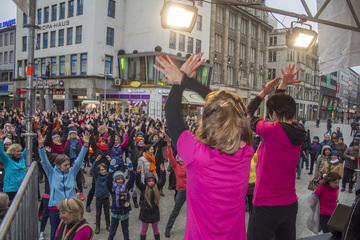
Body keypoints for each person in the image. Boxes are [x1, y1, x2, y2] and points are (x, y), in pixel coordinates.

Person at [155, 53, 254, 239]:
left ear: (207, 122)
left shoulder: (197, 155)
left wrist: (181, 80)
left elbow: (171, 113)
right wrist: (181, 80)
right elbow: (221, 107)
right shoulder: (246, 151)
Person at [246, 64, 306, 240]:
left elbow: (246, 114)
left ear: (272, 114)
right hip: (289, 204)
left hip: (266, 205)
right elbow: (279, 113)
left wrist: (263, 94)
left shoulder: (272, 131)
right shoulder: (298, 130)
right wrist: (282, 88)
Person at [38, 131, 90, 240]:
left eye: (68, 164)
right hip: (55, 207)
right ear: (57, 165)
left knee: (71, 231)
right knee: (55, 233)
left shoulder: (72, 171)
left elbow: (79, 159)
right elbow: (44, 161)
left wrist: (85, 145)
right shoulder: (51, 172)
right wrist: (41, 146)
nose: (68, 166)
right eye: (65, 165)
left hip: (71, 207)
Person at [164, 136, 187, 238]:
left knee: (196, 211)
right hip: (181, 191)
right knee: (175, 211)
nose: (181, 157)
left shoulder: (189, 165)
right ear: (177, 158)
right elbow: (170, 156)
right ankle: (168, 228)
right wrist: (169, 145)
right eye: (179, 156)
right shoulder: (176, 166)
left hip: (192, 191)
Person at [136, 164, 166, 240]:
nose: (151, 182)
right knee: (144, 229)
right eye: (149, 181)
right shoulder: (143, 188)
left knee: (156, 229)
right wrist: (138, 173)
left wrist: (163, 172)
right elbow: (138, 182)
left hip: (155, 212)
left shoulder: (157, 187)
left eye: (153, 181)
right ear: (146, 182)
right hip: (145, 212)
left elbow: (162, 181)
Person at [106, 166, 135, 240]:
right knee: (112, 231)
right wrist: (110, 172)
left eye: (121, 179)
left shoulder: (126, 187)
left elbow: (131, 180)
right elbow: (108, 181)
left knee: (125, 231)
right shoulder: (112, 189)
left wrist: (131, 170)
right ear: (115, 180)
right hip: (115, 212)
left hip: (124, 212)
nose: (120, 181)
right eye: (118, 179)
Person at [0, 130, 26, 202]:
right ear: (12, 151)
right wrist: (0, 141)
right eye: (17, 151)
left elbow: (29, 148)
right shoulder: (7, 160)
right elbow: (0, 152)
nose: (20, 153)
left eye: (20, 151)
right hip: (11, 189)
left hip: (22, 187)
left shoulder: (22, 158)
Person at [91, 158, 110, 234]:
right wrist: (96, 161)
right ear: (99, 171)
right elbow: (93, 169)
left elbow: (113, 169)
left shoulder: (108, 175)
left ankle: (108, 224)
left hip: (106, 196)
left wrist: (110, 160)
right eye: (101, 170)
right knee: (98, 213)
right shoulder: (97, 176)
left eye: (104, 169)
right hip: (98, 197)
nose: (103, 171)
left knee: (107, 212)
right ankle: (97, 226)